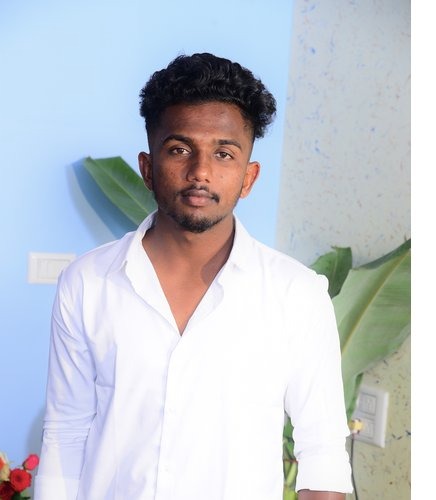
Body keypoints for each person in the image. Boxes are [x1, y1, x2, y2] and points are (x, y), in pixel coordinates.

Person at [35, 53, 352, 500]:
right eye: (180, 149)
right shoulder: (87, 283)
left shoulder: (296, 294)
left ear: (248, 177)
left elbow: (322, 452)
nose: (200, 171)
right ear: (148, 168)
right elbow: (65, 432)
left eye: (224, 153)